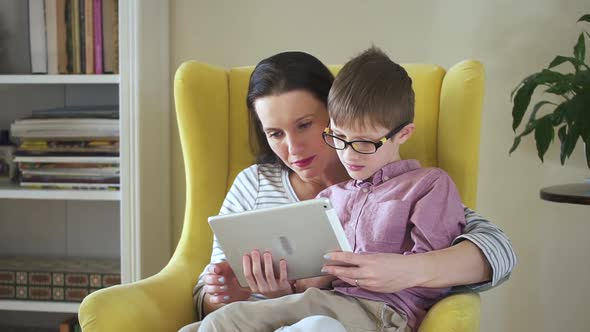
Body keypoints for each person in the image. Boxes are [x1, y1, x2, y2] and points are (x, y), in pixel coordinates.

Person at [179, 50, 516, 331]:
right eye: (275, 133)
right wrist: (232, 291)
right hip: (303, 309)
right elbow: (207, 301)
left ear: (334, 111)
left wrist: (403, 270)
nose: (293, 148)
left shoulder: (421, 185)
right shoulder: (273, 186)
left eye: (305, 125)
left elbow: (497, 250)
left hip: (366, 313)